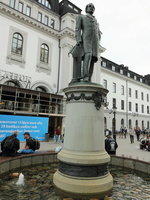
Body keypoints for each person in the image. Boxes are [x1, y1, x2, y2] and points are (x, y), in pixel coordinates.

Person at [75, 3, 101, 82]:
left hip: (95, 41)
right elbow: (77, 29)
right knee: (88, 55)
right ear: (86, 8)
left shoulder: (96, 21)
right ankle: (85, 76)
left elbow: (98, 32)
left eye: (93, 7)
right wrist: (78, 39)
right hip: (86, 39)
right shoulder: (81, 17)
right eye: (90, 6)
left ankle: (89, 77)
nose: (92, 8)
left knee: (93, 58)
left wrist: (98, 39)